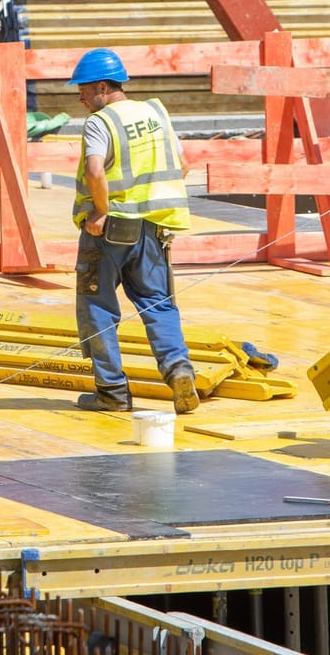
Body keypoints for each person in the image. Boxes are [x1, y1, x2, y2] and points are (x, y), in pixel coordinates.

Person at [68, 48, 199, 415]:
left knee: (96, 305)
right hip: (155, 227)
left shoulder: (101, 122)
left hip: (109, 229)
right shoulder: (156, 112)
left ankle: (112, 392)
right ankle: (178, 370)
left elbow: (95, 171)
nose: (79, 97)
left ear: (103, 87)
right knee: (158, 303)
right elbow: (183, 165)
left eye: (83, 88)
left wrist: (101, 211)